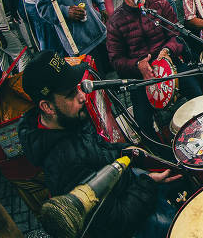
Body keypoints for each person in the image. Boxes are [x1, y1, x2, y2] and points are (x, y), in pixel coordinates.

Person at [19, 50, 182, 238]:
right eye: (71, 93)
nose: (81, 96)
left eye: (78, 87)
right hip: (134, 224)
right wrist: (148, 183)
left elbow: (98, 149)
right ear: (47, 107)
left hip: (129, 187)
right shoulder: (64, 164)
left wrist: (124, 151)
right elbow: (118, 221)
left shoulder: (69, 119)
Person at [106, 0, 203, 134]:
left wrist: (167, 51)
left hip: (170, 64)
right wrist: (138, 66)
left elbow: (177, 36)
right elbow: (116, 60)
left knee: (198, 92)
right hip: (142, 78)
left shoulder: (160, 5)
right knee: (143, 123)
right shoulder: (115, 23)